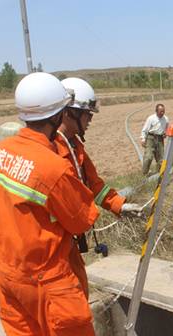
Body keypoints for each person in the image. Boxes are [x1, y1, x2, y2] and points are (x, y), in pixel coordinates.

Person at [0, 72, 99, 336]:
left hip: (10, 278)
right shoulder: (52, 167)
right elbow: (82, 221)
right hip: (50, 282)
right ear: (60, 114)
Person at [56, 77, 143, 298]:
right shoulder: (52, 151)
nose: (90, 120)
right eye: (87, 114)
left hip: (70, 242)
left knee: (78, 292)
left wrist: (119, 206)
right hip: (54, 246)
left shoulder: (74, 145)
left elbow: (95, 184)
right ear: (68, 113)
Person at [140, 104, 169, 175]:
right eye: (160, 111)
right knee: (149, 157)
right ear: (156, 111)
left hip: (160, 139)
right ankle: (145, 173)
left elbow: (167, 129)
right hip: (151, 138)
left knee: (161, 159)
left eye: (163, 111)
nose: (162, 113)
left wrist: (165, 133)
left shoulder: (166, 119)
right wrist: (143, 139)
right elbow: (144, 129)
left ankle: (158, 174)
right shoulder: (151, 118)